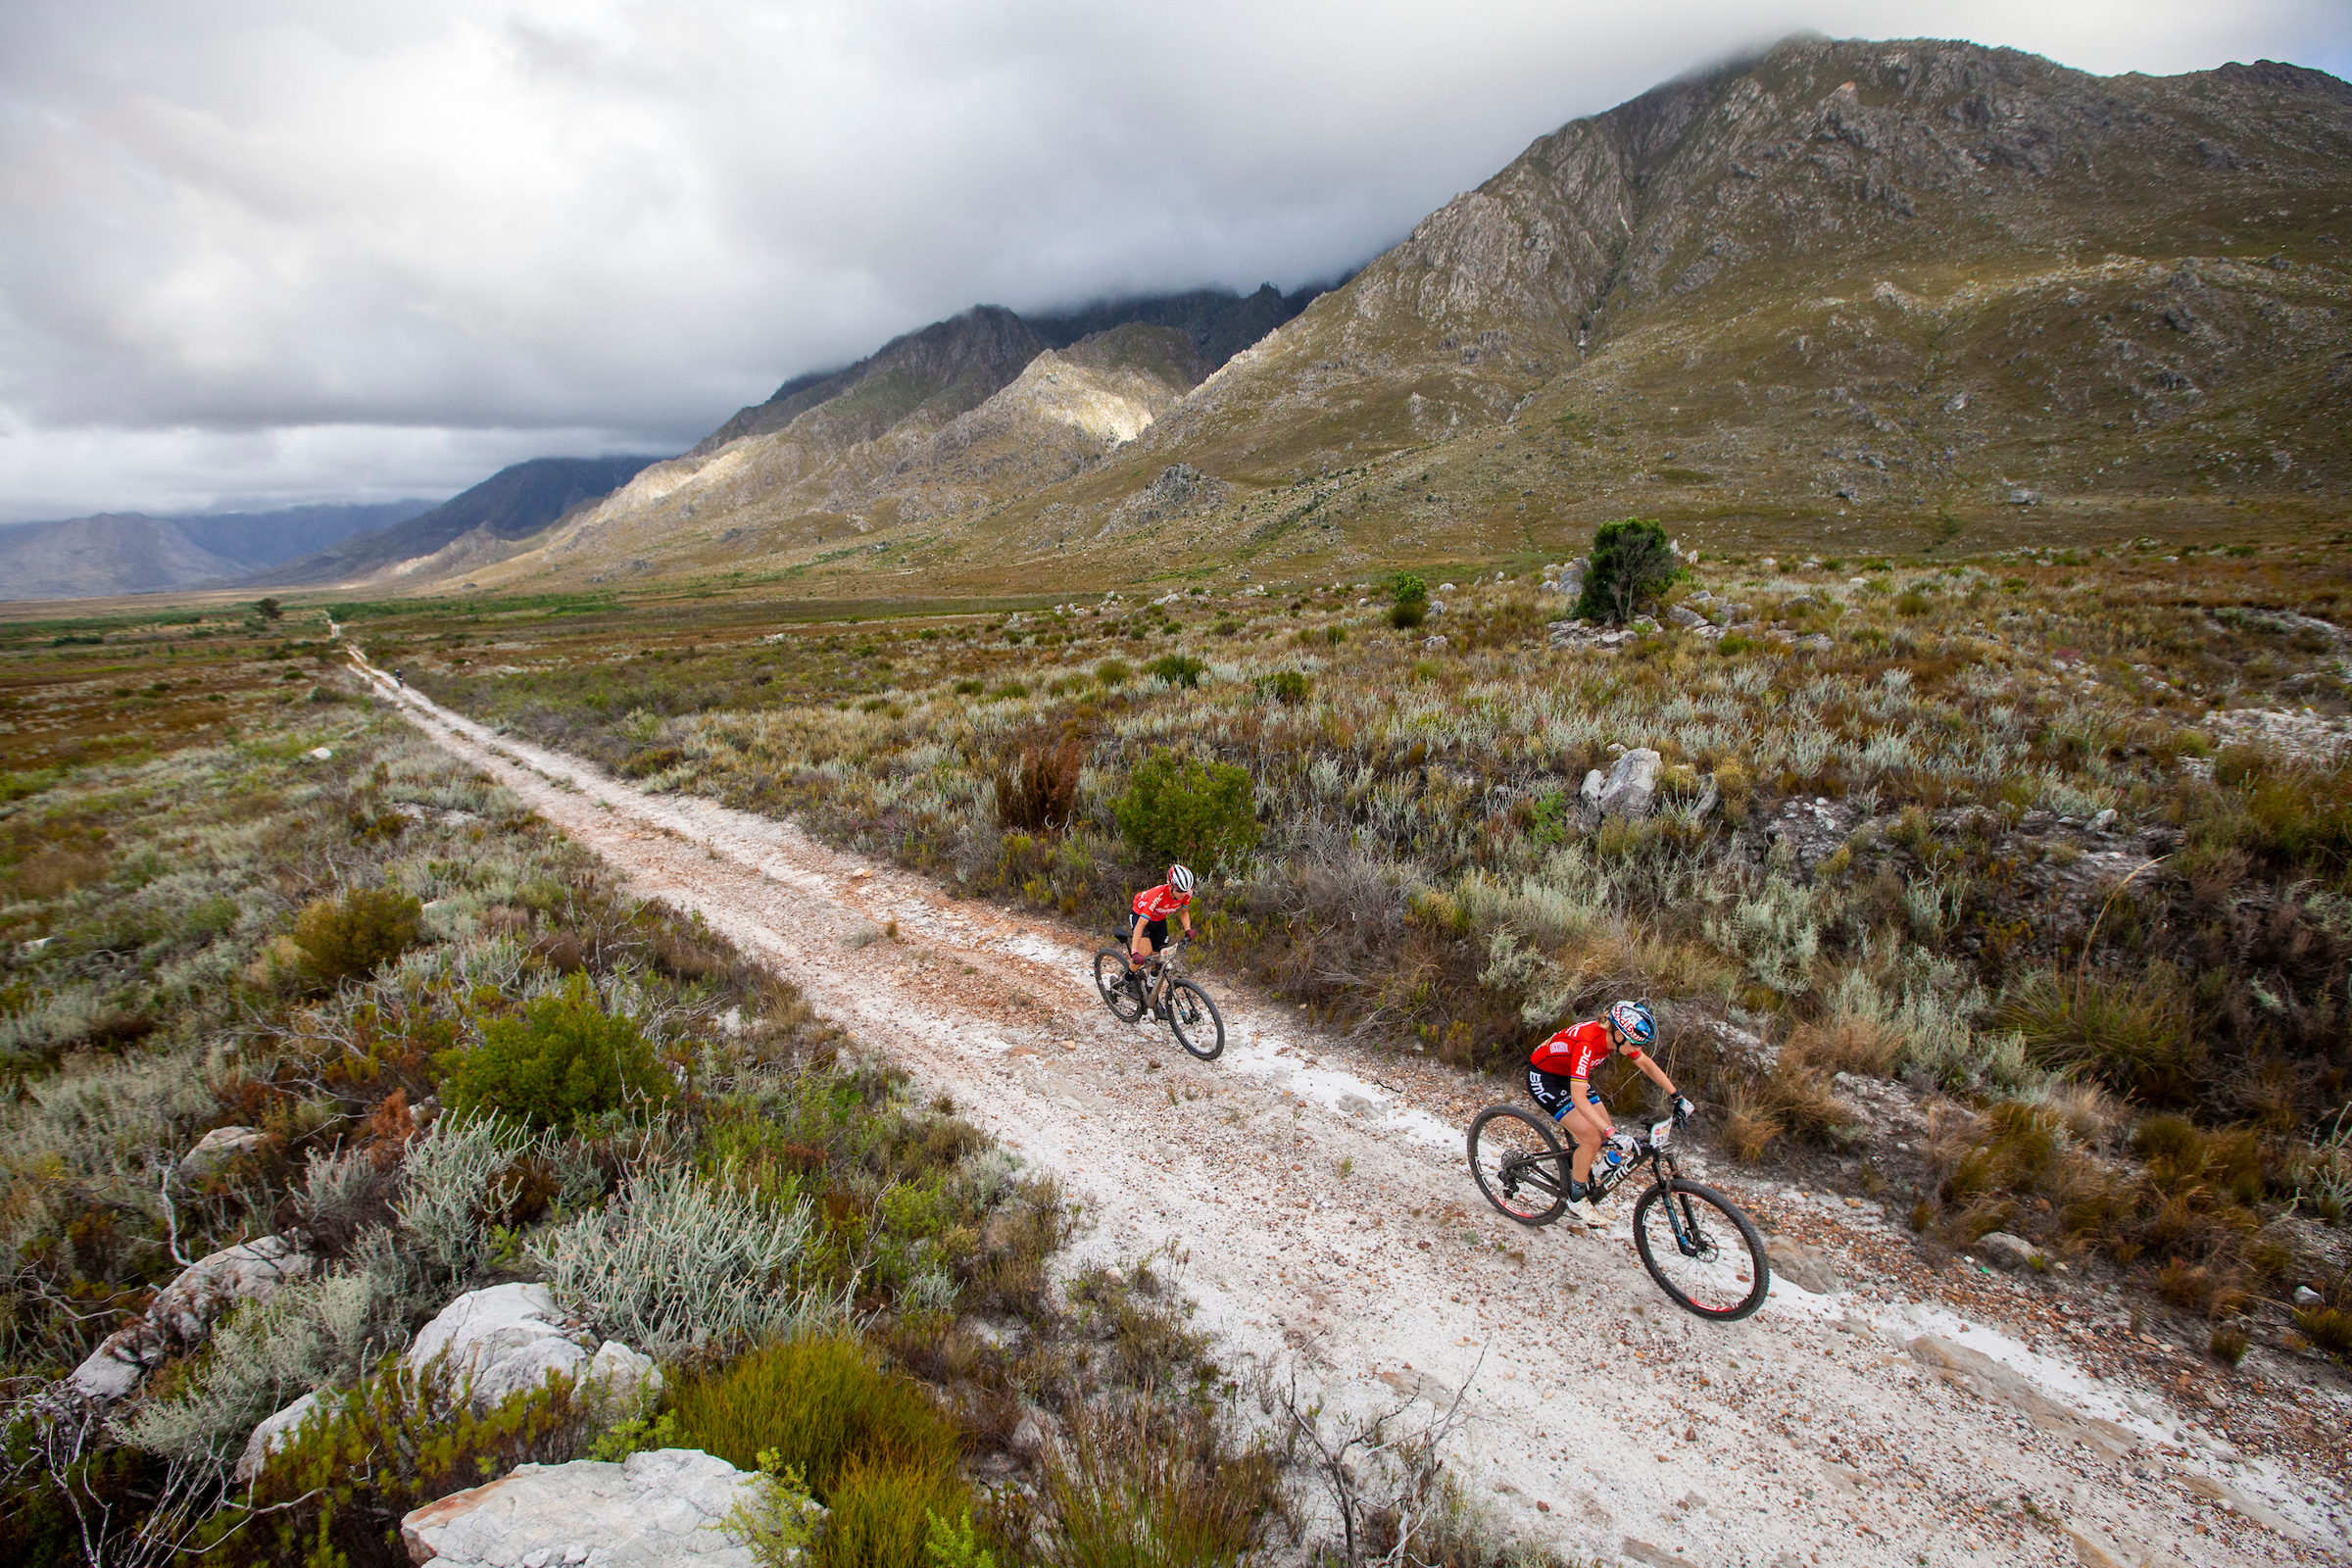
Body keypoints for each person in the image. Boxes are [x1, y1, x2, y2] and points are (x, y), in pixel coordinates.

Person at [1526, 1000, 1693, 1227]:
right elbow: (1578, 1098)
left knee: (1604, 1135)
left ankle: (1582, 1167)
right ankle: (1576, 1198)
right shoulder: (1587, 1044)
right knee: (1592, 1138)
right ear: (1618, 1034)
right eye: (1635, 1043)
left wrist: (1678, 1097)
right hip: (1546, 1079)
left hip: (1569, 1072)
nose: (1637, 1049)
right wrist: (1611, 1132)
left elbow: (1646, 1064)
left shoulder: (1615, 1039)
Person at [1126, 863, 1197, 1013]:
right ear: (1171, 885)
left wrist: (1188, 929)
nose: (1183, 895)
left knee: (1160, 960)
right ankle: (1128, 978)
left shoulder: (1186, 893)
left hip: (1159, 920)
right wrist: (1135, 952)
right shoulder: (1157, 896)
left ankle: (1152, 994)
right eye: (1179, 891)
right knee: (1145, 951)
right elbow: (1140, 926)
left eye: (1186, 891)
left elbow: (1184, 912)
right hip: (1141, 916)